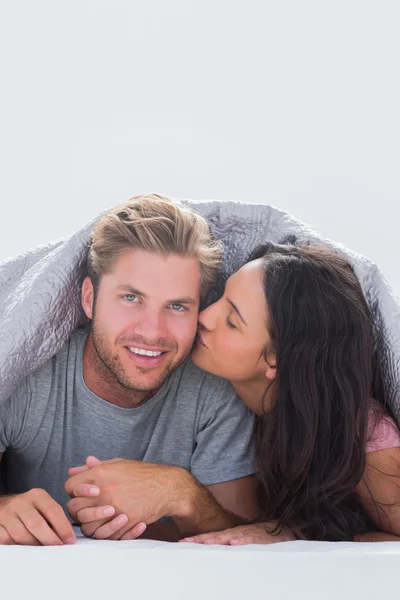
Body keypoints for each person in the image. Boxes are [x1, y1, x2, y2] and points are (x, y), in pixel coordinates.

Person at [0, 194, 258, 546]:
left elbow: (248, 534)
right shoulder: (26, 375)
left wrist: (182, 492)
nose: (153, 331)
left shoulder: (213, 391)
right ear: (89, 299)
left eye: (178, 306)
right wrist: (5, 506)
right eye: (131, 298)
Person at [182, 241, 400, 545]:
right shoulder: (219, 396)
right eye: (220, 297)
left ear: (278, 358)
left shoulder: (365, 437)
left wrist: (293, 537)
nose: (204, 316)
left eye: (232, 322)